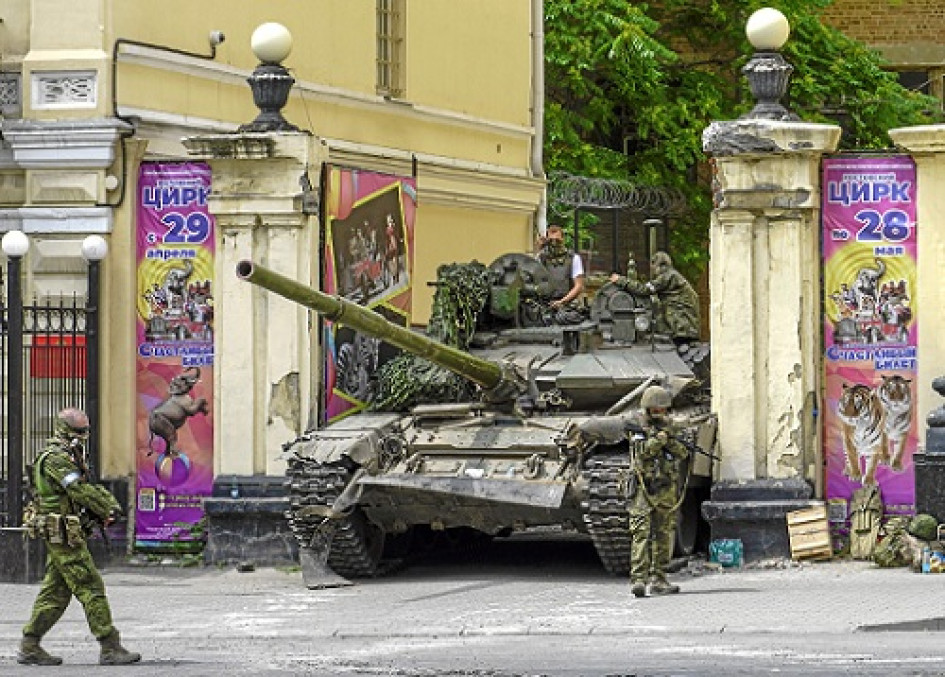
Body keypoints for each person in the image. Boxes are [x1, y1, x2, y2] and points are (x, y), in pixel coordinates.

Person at [17, 408, 141, 666]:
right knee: (90, 585)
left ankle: (30, 644)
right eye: (79, 431)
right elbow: (78, 489)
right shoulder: (55, 459)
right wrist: (107, 507)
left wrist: (106, 505)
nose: (84, 436)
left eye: (86, 430)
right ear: (64, 430)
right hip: (62, 534)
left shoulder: (70, 456)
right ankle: (109, 646)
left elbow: (87, 487)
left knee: (56, 592)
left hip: (67, 532)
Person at [627, 385, 688, 598]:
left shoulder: (669, 429)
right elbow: (641, 453)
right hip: (644, 487)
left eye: (662, 410)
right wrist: (660, 439)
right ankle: (638, 579)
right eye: (655, 411)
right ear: (647, 410)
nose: (659, 414)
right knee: (641, 533)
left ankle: (659, 577)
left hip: (665, 487)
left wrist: (670, 439)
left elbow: (682, 453)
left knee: (663, 533)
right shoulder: (637, 428)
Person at [644, 251, 701, 344]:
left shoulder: (669, 276)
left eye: (653, 265)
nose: (652, 270)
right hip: (686, 327)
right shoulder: (672, 275)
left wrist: (622, 281)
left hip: (682, 327)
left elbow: (645, 289)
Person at [536, 225, 586, 323]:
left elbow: (578, 286)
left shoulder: (573, 258)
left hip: (568, 305)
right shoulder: (542, 258)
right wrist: (539, 248)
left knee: (564, 318)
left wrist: (562, 302)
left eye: (557, 240)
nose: (554, 244)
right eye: (551, 240)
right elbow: (532, 273)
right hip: (546, 304)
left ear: (562, 239)